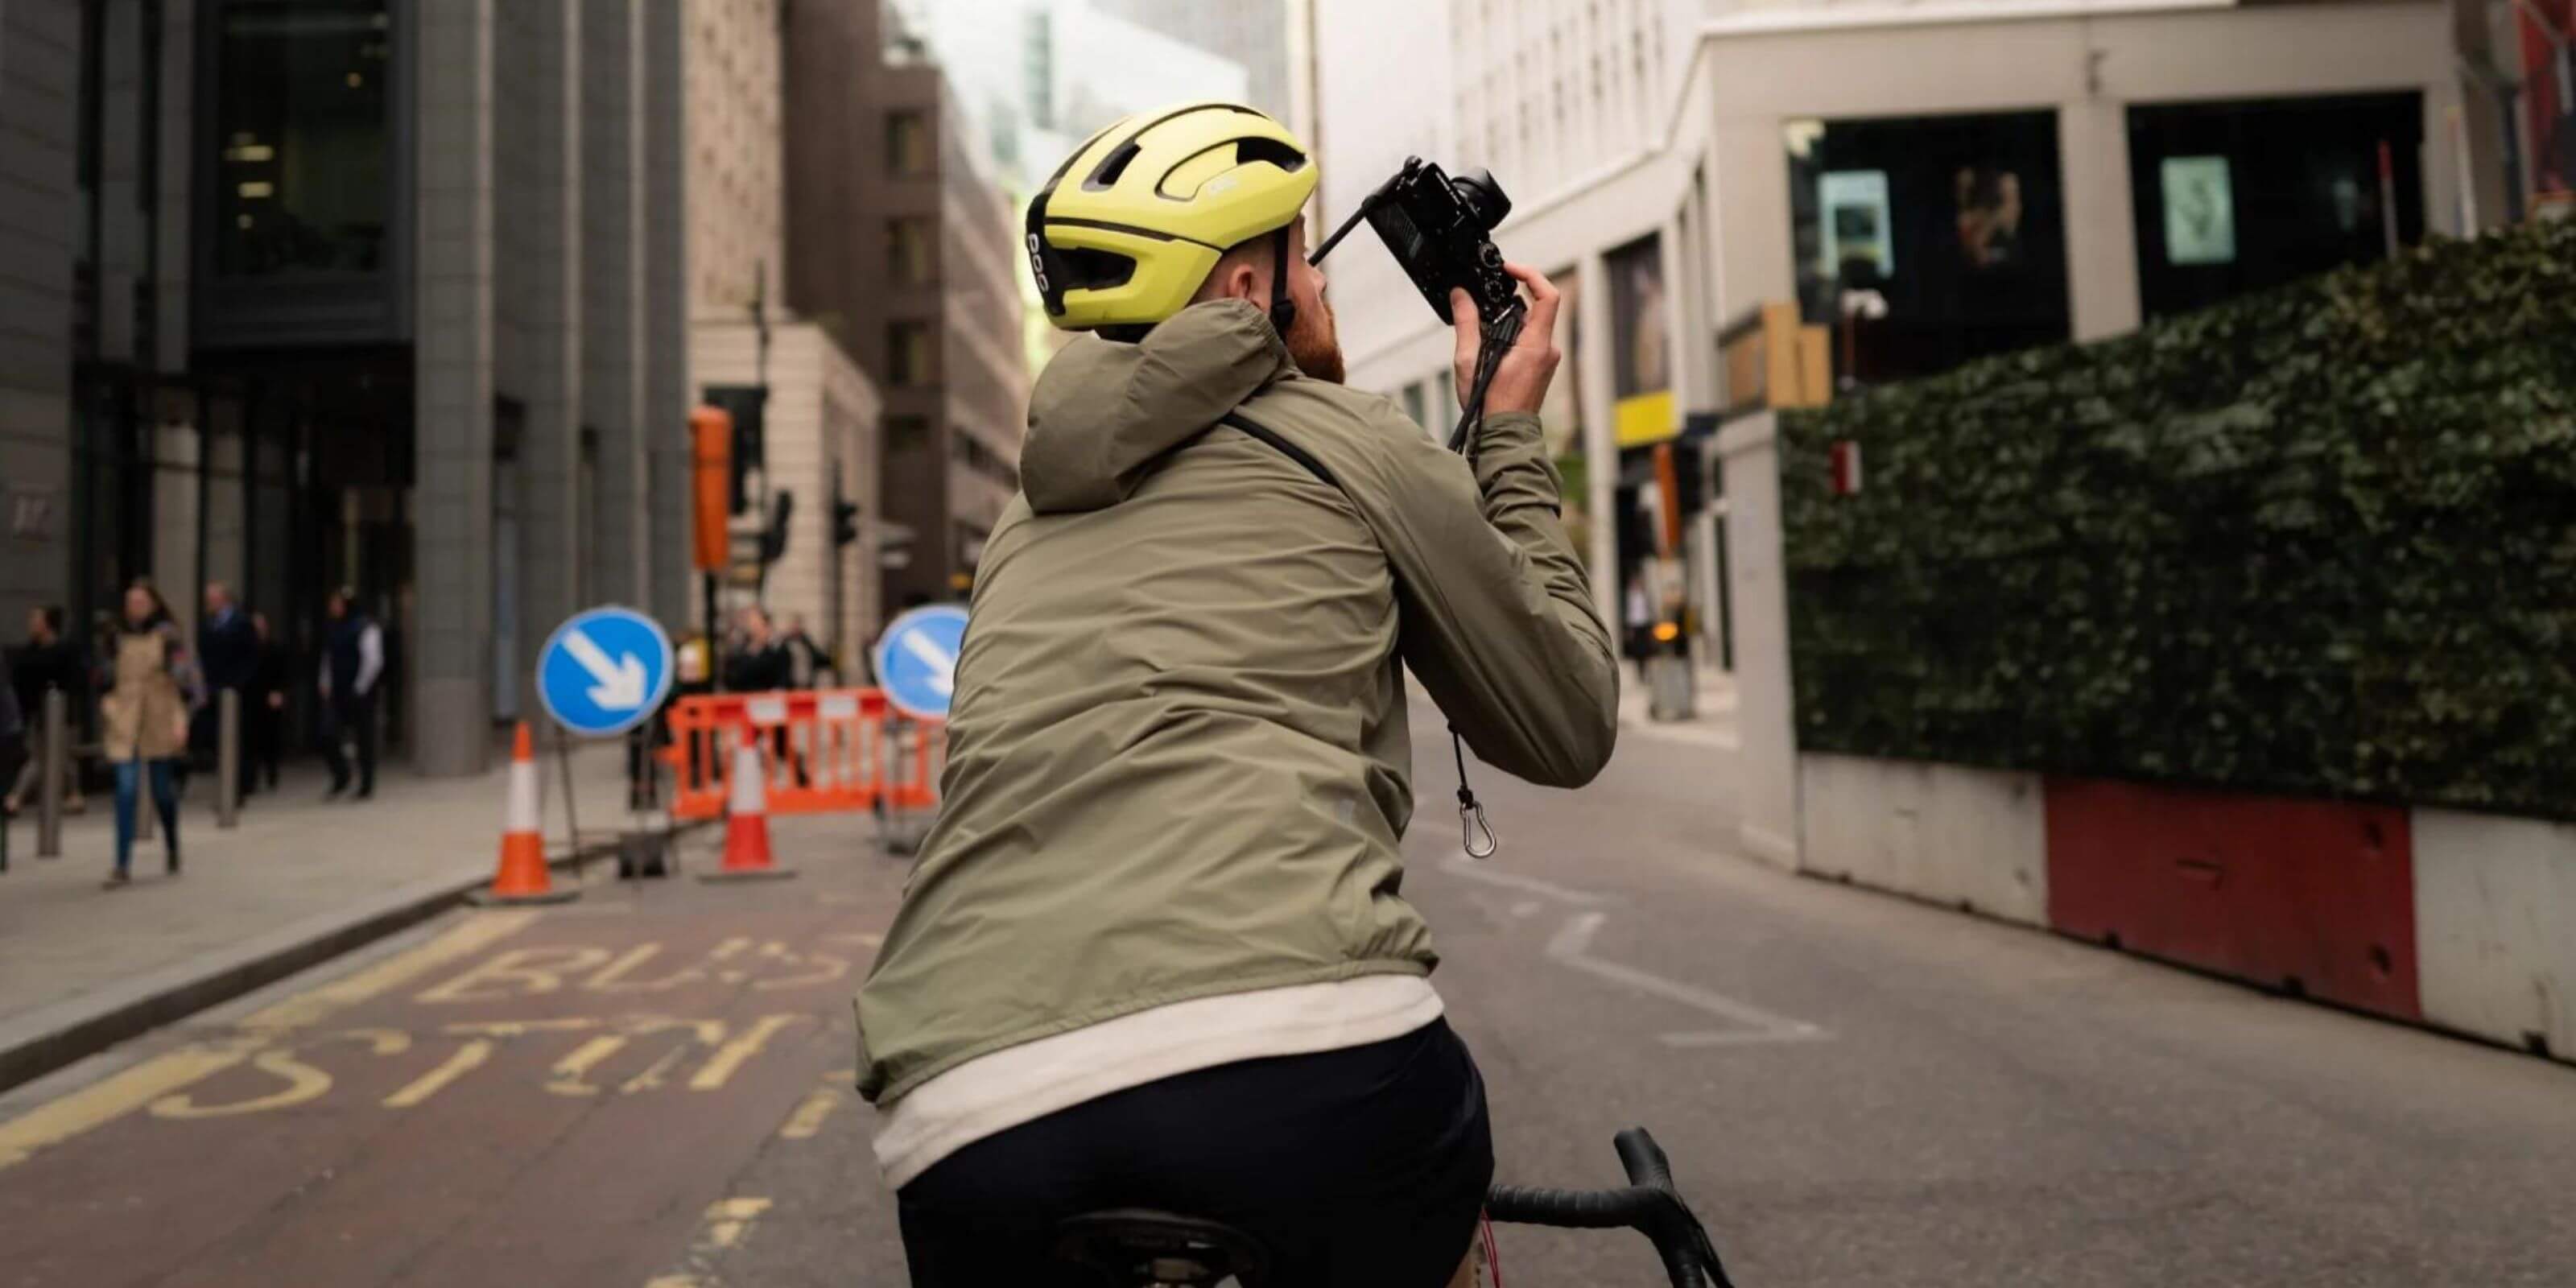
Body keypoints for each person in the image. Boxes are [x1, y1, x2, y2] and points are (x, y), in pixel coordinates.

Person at [857, 103, 1615, 1286]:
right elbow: (1566, 721)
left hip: (968, 1108)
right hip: (1304, 1064)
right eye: (1305, 257)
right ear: (1252, 282)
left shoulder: (1021, 518)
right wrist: (1506, 430)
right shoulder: (1352, 441)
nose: (1317, 282)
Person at [98, 580, 200, 887]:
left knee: (162, 793)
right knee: (125, 790)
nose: (136, 606)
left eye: (141, 600)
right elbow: (103, 675)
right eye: (131, 600)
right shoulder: (114, 635)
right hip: (125, 717)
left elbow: (186, 681)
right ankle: (121, 863)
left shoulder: (169, 635)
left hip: (160, 715)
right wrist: (109, 705)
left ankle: (171, 843)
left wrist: (182, 720)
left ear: (154, 603)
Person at [4, 605, 86, 816]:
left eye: (36, 619)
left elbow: (76, 681)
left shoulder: (66, 650)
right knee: (46, 757)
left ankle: (17, 797)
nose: (31, 623)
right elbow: (20, 683)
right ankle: (72, 794)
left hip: (62, 713)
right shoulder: (28, 653)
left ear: (48, 623)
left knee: (57, 756)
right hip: (38, 715)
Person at [195, 582, 260, 804]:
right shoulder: (207, 625)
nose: (209, 603)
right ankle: (227, 787)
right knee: (215, 739)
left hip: (237, 693)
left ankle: (238, 789)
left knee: (238, 741)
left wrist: (238, 684)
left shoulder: (242, 623)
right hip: (214, 690)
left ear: (224, 599)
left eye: (212, 599)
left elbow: (251, 657)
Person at [317, 588, 383, 801]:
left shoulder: (366, 627)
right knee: (327, 734)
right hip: (337, 692)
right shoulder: (334, 627)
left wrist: (360, 688)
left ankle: (366, 784)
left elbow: (372, 661)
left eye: (336, 603)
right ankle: (341, 775)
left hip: (359, 693)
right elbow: (328, 658)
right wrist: (325, 682)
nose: (333, 607)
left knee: (364, 740)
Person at [249, 611, 287, 792]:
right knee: (253, 741)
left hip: (271, 698)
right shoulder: (248, 649)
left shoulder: (275, 649)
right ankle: (252, 778)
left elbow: (284, 674)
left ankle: (272, 773)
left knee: (271, 740)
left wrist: (279, 692)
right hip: (253, 698)